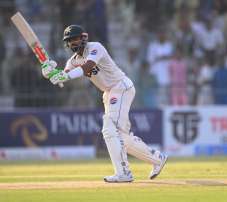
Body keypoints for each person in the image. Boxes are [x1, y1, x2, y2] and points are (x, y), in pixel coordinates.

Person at [42, 25, 168, 182]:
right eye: (70, 41)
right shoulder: (73, 61)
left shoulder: (95, 47)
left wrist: (62, 76)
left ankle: (123, 173)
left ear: (83, 37)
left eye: (75, 39)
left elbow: (88, 66)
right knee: (122, 137)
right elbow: (64, 77)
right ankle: (157, 158)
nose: (73, 43)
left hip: (120, 86)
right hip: (108, 93)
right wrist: (51, 74)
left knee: (109, 130)